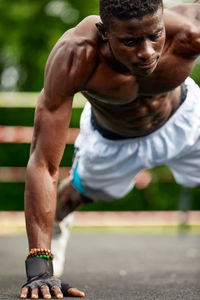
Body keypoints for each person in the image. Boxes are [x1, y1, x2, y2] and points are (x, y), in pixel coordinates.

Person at [20, 0, 200, 298]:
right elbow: (43, 163)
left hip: (186, 119)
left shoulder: (190, 29)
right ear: (104, 32)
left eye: (155, 35)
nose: (146, 52)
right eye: (130, 41)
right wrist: (39, 269)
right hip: (113, 139)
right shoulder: (76, 55)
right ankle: (61, 220)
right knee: (76, 195)